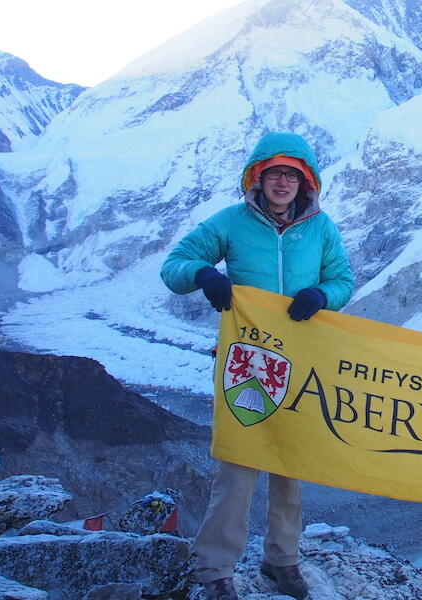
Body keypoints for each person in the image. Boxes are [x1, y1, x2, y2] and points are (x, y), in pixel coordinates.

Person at [160, 132, 354, 600]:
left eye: (292, 174)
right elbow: (175, 265)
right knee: (238, 468)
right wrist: (204, 273)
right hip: (246, 362)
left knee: (291, 465)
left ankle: (282, 559)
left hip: (302, 361)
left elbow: (342, 279)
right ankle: (215, 569)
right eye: (275, 173)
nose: (283, 182)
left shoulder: (321, 228)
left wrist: (323, 295)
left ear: (305, 181)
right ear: (258, 177)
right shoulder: (231, 222)